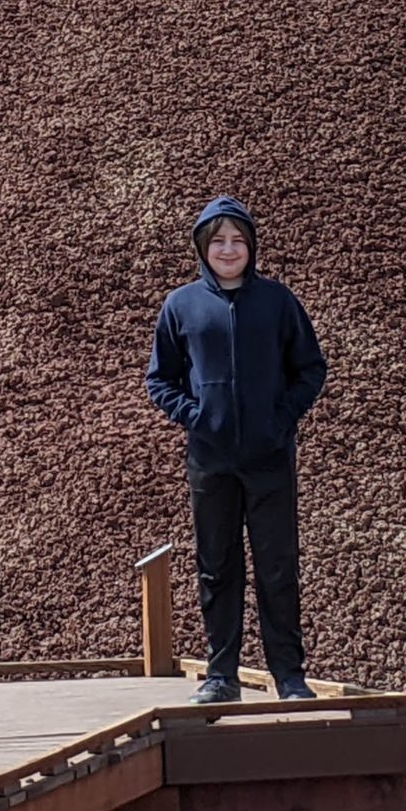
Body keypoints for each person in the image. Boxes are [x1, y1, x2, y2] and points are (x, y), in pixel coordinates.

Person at [143, 194, 328, 703]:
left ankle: (288, 677)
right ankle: (221, 675)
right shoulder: (181, 305)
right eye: (218, 240)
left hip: (269, 457)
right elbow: (160, 379)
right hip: (211, 458)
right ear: (203, 246)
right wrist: (196, 417)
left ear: (251, 247)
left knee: (277, 566)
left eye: (238, 240)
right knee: (217, 565)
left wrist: (280, 418)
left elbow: (311, 368)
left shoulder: (277, 301)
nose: (228, 249)